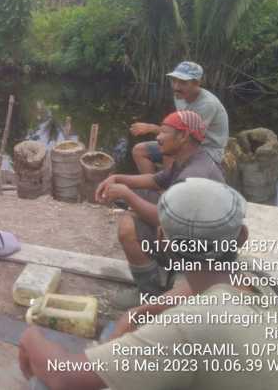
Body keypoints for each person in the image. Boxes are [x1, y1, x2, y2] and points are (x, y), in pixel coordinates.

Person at [19, 178, 278, 390]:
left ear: (162, 240)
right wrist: (138, 313)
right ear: (241, 238)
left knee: (42, 385)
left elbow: (66, 378)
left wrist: (30, 337)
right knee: (118, 333)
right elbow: (194, 290)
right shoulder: (254, 275)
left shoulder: (193, 324)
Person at [95, 110, 224, 305]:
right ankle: (162, 282)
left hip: (204, 253)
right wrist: (118, 178)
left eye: (164, 132)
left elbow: (165, 219)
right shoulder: (190, 159)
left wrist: (126, 194)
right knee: (139, 202)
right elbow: (156, 180)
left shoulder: (193, 173)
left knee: (128, 227)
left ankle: (151, 296)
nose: (158, 137)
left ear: (183, 136)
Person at [131, 61, 229, 174]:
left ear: (197, 83)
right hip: (185, 143)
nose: (176, 87)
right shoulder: (180, 95)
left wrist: (151, 128)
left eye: (183, 82)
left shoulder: (207, 104)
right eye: (174, 81)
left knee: (169, 150)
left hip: (208, 149)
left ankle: (168, 187)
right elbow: (177, 128)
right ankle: (153, 187)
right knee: (139, 150)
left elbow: (186, 137)